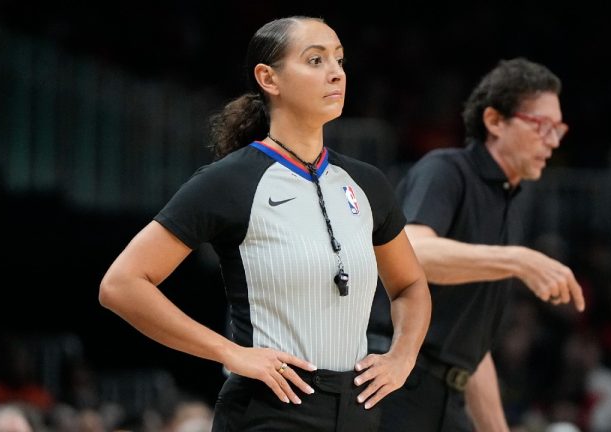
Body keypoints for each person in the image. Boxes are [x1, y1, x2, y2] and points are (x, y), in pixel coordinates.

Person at [98, 16, 431, 432]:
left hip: (359, 410)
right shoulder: (229, 181)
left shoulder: (367, 183)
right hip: (269, 410)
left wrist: (402, 356)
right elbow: (121, 285)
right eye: (315, 60)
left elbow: (411, 286)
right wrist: (228, 352)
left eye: (340, 61)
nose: (335, 73)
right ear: (268, 78)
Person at [372, 57, 586, 432]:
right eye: (542, 126)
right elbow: (414, 253)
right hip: (394, 378)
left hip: (447, 395)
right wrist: (518, 260)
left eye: (559, 129)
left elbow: (472, 349)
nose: (552, 142)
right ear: (494, 121)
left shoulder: (508, 203)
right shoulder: (446, 169)